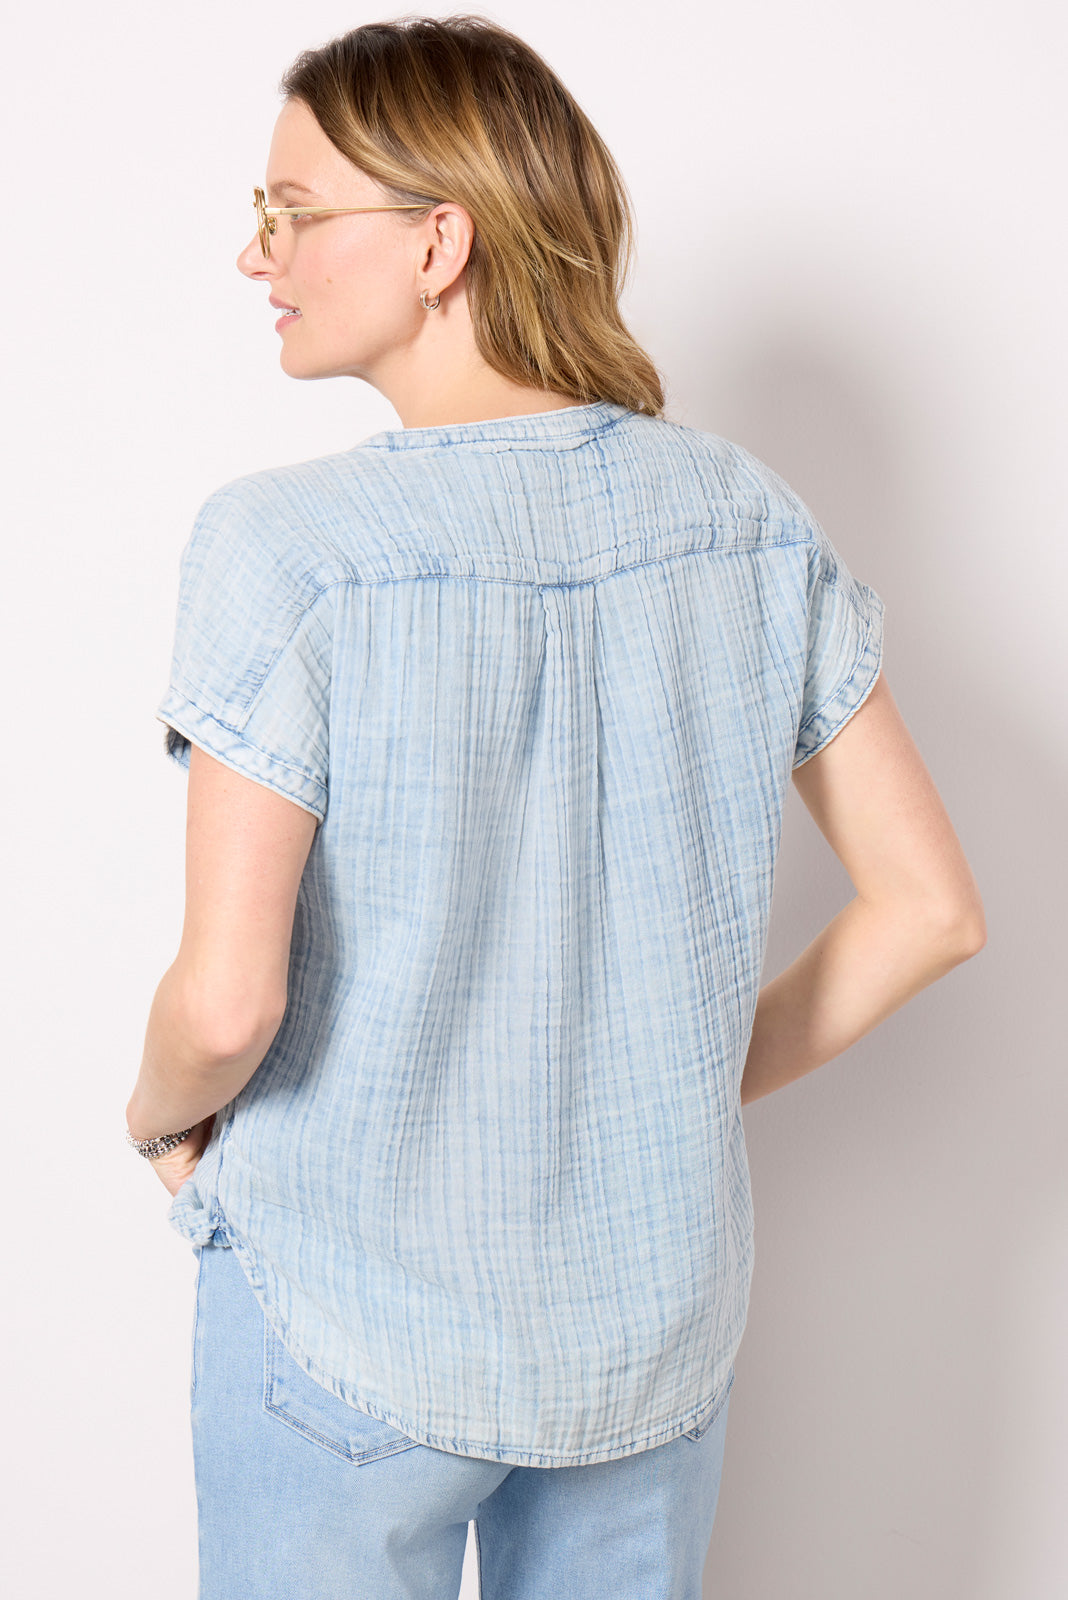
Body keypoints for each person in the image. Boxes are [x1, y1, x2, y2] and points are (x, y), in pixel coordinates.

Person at [123, 15, 986, 1600]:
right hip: (645, 1328)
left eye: (292, 212)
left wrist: (157, 1116)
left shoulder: (284, 550)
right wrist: (666, 1092)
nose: (258, 255)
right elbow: (930, 909)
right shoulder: (743, 521)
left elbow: (227, 1003)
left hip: (343, 1313)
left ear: (438, 242)